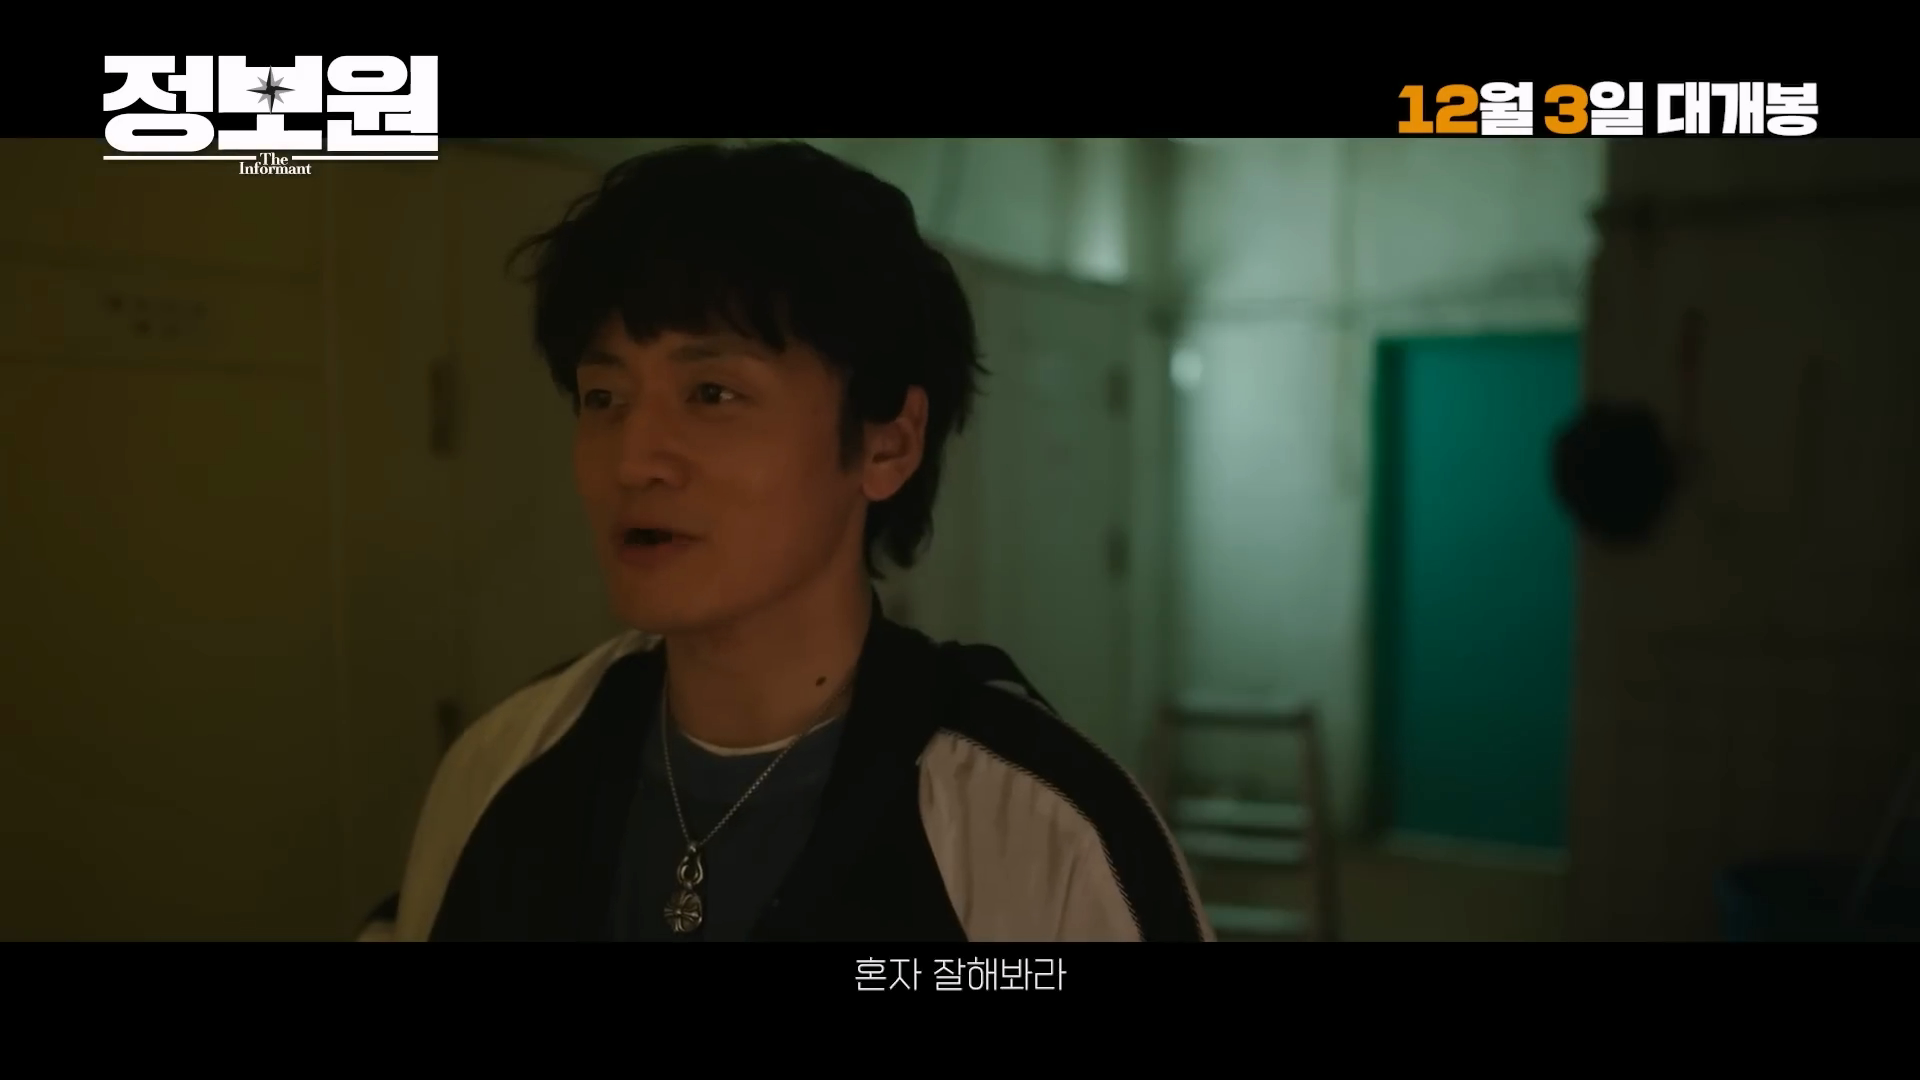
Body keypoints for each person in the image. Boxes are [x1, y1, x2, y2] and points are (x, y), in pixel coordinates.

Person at [362, 141, 1212, 942]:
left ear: (888, 444)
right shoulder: (507, 767)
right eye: (603, 398)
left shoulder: (1042, 833)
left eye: (712, 394)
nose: (634, 460)